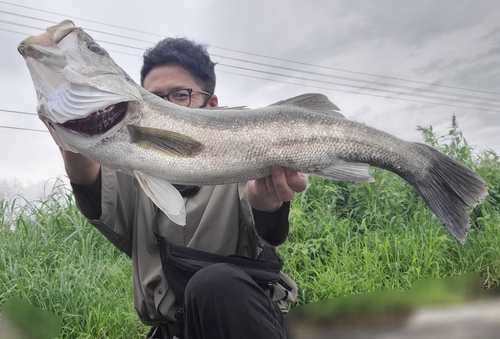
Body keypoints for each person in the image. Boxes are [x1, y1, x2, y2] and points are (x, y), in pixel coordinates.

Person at [60, 37, 308, 339]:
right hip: (170, 332)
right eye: (155, 98)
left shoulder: (243, 163)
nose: (167, 107)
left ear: (211, 104)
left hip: (242, 325)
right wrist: (71, 127)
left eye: (180, 95)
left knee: (215, 283)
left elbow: (269, 230)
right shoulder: (133, 175)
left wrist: (267, 202)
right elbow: (89, 178)